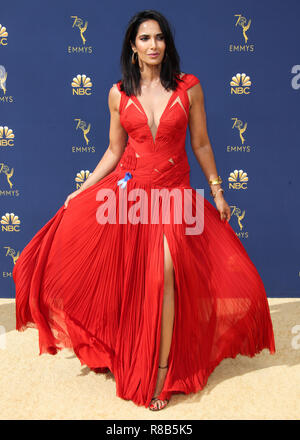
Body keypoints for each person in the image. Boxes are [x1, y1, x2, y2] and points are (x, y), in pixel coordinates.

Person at [13, 9, 276, 412]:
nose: (153, 45)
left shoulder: (190, 88)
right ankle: (131, 348)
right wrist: (82, 189)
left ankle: (163, 369)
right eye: (144, 39)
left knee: (167, 273)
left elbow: (201, 144)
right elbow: (115, 151)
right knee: (138, 279)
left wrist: (218, 191)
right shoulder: (119, 93)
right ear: (133, 48)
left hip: (174, 197)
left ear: (166, 44)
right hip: (132, 197)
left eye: (159, 38)